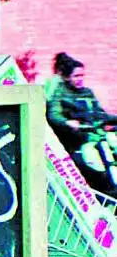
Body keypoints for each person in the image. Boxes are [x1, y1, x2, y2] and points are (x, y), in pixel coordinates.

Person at [46, 52, 117, 197]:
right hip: (79, 140)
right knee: (92, 161)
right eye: (76, 76)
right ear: (67, 77)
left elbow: (100, 113)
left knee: (113, 141)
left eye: (82, 76)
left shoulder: (87, 92)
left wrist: (111, 119)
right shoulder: (60, 94)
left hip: (98, 135)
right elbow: (54, 115)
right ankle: (103, 190)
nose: (80, 80)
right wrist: (68, 123)